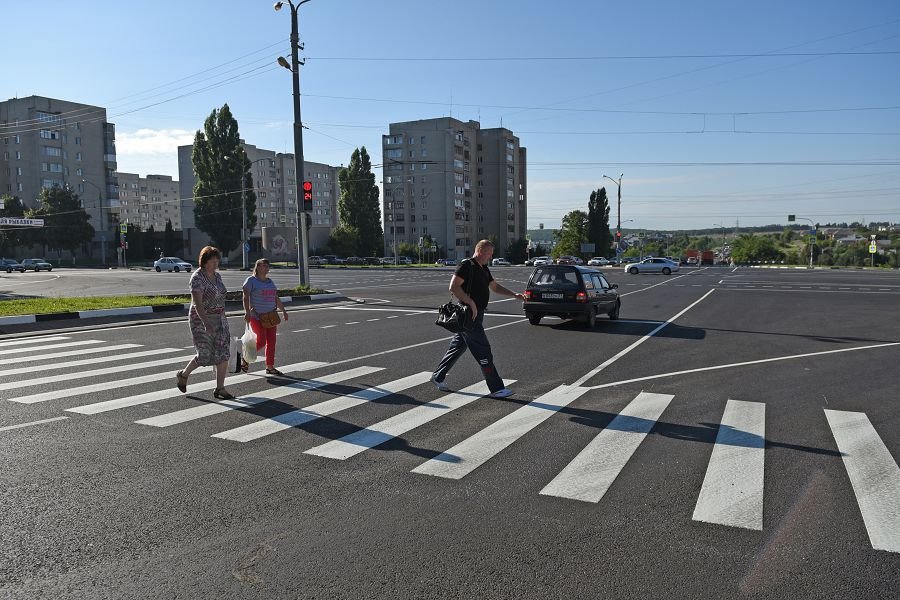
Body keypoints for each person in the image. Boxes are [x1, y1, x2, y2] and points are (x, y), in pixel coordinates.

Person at [431, 239, 524, 398]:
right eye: (489, 254)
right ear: (480, 251)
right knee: (483, 351)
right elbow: (454, 286)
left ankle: (438, 376)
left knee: (457, 347)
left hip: (475, 315)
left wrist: (514, 295)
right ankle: (496, 388)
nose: (490, 257)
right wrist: (471, 303)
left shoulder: (484, 268)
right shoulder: (467, 265)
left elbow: (494, 287)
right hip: (469, 315)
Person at [175, 246, 235, 400]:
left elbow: (221, 295)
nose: (216, 264)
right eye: (212, 261)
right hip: (201, 320)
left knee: (223, 353)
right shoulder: (197, 278)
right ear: (205, 261)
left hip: (220, 319)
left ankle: (220, 388)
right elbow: (198, 304)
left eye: (217, 261)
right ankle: (183, 374)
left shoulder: (218, 276)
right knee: (204, 355)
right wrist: (206, 323)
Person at [241, 258, 289, 375]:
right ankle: (246, 358)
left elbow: (275, 297)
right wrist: (247, 312)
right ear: (257, 267)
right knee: (261, 341)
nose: (266, 268)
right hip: (256, 316)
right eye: (263, 265)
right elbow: (245, 296)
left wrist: (283, 310)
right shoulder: (251, 281)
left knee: (271, 342)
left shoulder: (269, 281)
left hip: (271, 316)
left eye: (267, 266)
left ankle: (270, 367)